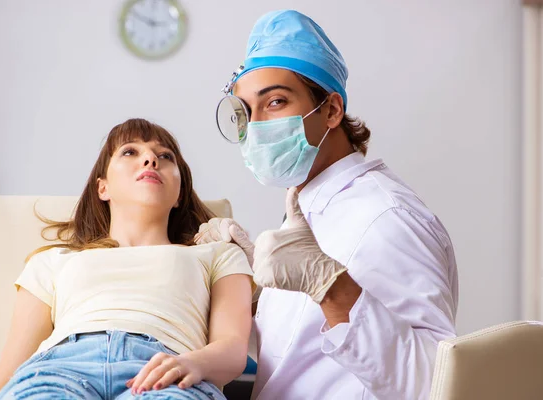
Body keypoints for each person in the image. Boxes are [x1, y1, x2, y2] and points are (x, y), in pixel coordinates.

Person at [195, 9, 459, 400]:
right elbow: (298, 354)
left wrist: (331, 287)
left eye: (276, 102)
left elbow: (436, 383)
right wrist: (250, 290)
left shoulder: (386, 216)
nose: (257, 126)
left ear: (332, 110)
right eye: (245, 111)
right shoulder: (312, 209)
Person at [0, 118, 254, 400]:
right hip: (58, 370)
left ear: (179, 194)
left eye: (165, 156)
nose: (151, 159)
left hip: (166, 373)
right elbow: (10, 374)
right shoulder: (52, 261)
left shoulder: (219, 253)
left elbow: (232, 349)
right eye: (130, 151)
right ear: (102, 187)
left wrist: (194, 363)